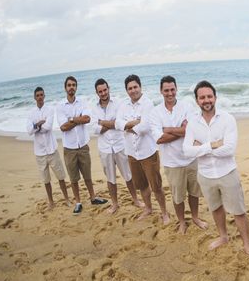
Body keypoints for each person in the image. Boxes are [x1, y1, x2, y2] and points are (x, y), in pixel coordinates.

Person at [183, 81, 249, 260]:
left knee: (239, 211)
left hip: (227, 173)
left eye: (209, 96)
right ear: (197, 100)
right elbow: (186, 151)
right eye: (202, 97)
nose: (206, 100)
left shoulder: (227, 118)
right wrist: (213, 145)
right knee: (216, 208)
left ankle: (247, 245)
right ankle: (223, 237)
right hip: (205, 174)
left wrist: (200, 148)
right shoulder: (192, 123)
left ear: (215, 97)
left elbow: (229, 150)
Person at [150, 76, 207, 234]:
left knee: (194, 192)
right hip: (172, 162)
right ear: (161, 91)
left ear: (177, 89)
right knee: (177, 196)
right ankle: (182, 221)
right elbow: (159, 139)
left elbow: (192, 130)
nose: (170, 93)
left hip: (191, 158)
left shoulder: (187, 106)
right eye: (166, 90)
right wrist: (181, 130)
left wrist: (167, 129)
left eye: (172, 89)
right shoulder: (155, 113)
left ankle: (195, 217)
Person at [115, 74, 169, 223]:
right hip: (131, 153)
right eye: (130, 88)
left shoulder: (148, 104)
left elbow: (145, 127)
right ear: (126, 91)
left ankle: (164, 212)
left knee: (156, 186)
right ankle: (148, 208)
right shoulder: (123, 105)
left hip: (148, 152)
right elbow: (117, 124)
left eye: (135, 87)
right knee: (141, 185)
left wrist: (127, 125)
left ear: (140, 87)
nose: (133, 90)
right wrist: (134, 123)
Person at [56, 76, 108, 214]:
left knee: (87, 175)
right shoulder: (60, 106)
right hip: (69, 148)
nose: (71, 87)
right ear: (65, 88)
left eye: (73, 85)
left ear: (76, 87)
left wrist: (71, 119)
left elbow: (87, 119)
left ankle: (93, 197)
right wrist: (78, 120)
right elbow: (63, 127)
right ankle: (78, 202)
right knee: (73, 178)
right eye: (69, 85)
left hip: (83, 145)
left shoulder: (83, 102)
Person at [92, 78, 142, 214]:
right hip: (105, 148)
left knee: (128, 175)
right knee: (110, 178)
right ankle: (114, 204)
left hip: (120, 145)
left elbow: (120, 124)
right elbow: (94, 129)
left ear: (108, 89)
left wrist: (102, 122)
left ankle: (135, 200)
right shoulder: (94, 107)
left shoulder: (118, 104)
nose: (103, 93)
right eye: (100, 91)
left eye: (105, 90)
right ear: (97, 93)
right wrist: (111, 124)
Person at [27, 86, 70, 209]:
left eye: (42, 95)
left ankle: (66, 198)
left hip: (52, 149)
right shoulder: (31, 113)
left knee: (61, 177)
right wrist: (38, 124)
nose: (40, 97)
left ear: (44, 96)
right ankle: (51, 202)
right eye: (38, 95)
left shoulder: (50, 110)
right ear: (35, 97)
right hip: (39, 152)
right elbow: (29, 131)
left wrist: (37, 126)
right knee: (46, 180)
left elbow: (48, 127)